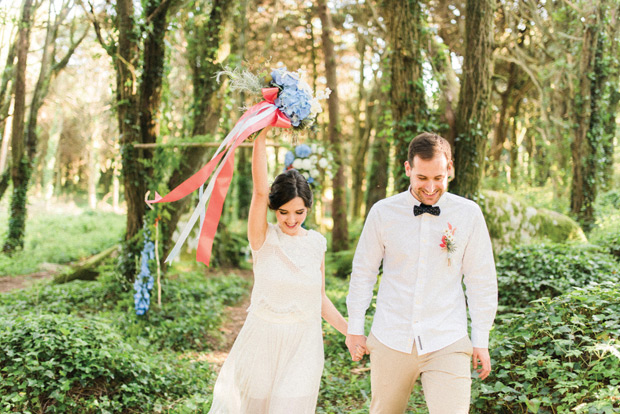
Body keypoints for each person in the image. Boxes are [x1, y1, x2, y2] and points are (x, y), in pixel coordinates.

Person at [209, 126, 362, 414]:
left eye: (299, 212)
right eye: (284, 212)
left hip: (304, 343)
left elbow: (319, 298)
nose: (291, 220)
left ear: (309, 209)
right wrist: (262, 135)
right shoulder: (263, 238)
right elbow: (258, 191)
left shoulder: (316, 243)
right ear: (273, 209)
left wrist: (350, 332)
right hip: (263, 340)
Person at [345, 132, 498, 414]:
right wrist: (355, 328)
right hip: (391, 336)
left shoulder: (469, 214)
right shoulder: (382, 213)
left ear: (449, 168)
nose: (430, 188)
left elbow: (481, 280)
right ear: (408, 169)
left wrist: (481, 339)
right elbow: (364, 272)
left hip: (447, 338)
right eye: (422, 178)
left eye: (438, 178)